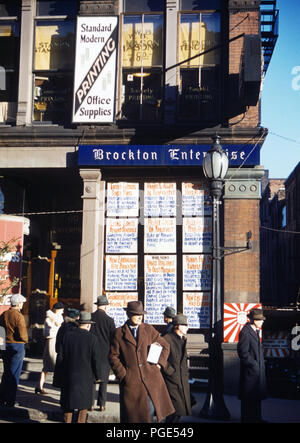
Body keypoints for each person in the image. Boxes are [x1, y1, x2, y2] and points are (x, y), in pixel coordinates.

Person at [109, 301, 175, 423]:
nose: (140, 317)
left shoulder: (148, 329)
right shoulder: (118, 333)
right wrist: (124, 375)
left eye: (141, 314)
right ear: (129, 314)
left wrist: (159, 364)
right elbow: (113, 356)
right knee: (134, 417)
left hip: (152, 380)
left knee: (152, 415)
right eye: (136, 314)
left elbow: (165, 346)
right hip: (132, 384)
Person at [55, 311, 102, 423]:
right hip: (85, 377)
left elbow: (60, 357)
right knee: (83, 407)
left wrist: (58, 375)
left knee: (68, 405)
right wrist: (98, 375)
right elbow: (96, 360)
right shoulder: (92, 339)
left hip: (68, 375)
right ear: (88, 325)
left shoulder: (67, 336)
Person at [237, 308, 267, 423]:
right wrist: (254, 365)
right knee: (249, 398)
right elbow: (243, 353)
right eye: (260, 320)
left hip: (256, 372)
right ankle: (248, 419)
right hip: (250, 373)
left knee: (256, 397)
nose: (262, 322)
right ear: (253, 320)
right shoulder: (246, 331)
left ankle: (257, 419)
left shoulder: (254, 331)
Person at [162, 314, 192, 423]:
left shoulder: (182, 339)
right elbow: (157, 358)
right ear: (178, 326)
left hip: (181, 381)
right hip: (171, 382)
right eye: (185, 325)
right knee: (174, 412)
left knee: (178, 412)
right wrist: (169, 371)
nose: (187, 328)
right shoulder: (166, 339)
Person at [0, 294, 28, 407]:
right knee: (14, 374)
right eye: (21, 303)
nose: (22, 305)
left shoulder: (4, 314)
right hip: (17, 346)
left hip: (5, 345)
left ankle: (1, 398)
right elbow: (23, 334)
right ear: (18, 303)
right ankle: (10, 400)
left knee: (6, 373)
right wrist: (27, 341)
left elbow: (0, 331)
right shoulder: (18, 316)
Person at [91, 295, 116, 411]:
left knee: (92, 378)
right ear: (106, 307)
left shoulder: (90, 318)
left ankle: (90, 403)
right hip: (105, 352)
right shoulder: (110, 320)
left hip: (92, 351)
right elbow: (113, 338)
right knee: (104, 380)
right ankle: (102, 404)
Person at [35, 302, 65, 395]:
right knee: (49, 365)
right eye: (62, 309)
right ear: (57, 310)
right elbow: (47, 333)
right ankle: (39, 386)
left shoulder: (59, 318)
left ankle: (39, 386)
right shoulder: (49, 319)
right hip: (52, 343)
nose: (63, 311)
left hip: (57, 342)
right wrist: (56, 331)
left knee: (54, 365)